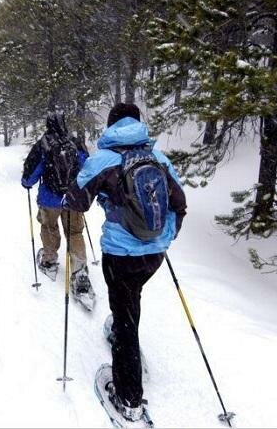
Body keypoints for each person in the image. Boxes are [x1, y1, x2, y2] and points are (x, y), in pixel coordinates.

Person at [63, 103, 187, 422]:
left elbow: (76, 202)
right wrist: (165, 237)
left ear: (111, 125)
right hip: (155, 255)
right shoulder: (157, 158)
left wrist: (73, 179)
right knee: (132, 298)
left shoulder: (103, 159)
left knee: (125, 315)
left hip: (120, 254)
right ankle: (124, 329)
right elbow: (179, 204)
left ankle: (129, 399)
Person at [21, 109, 93, 296]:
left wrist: (26, 183)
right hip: (72, 199)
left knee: (49, 227)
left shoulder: (43, 145)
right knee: (75, 232)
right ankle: (79, 271)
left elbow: (30, 177)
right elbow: (88, 167)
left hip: (49, 199)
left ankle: (50, 259)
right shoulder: (75, 143)